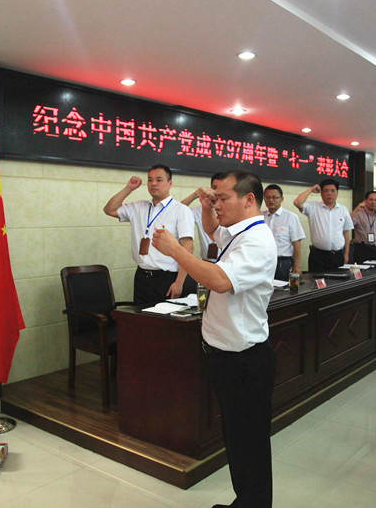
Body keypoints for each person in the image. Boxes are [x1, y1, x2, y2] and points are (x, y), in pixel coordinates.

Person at [151, 170, 277, 508]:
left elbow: (220, 280)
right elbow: (211, 231)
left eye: (223, 198)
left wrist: (177, 251)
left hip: (245, 360)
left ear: (248, 199)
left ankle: (253, 503)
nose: (217, 204)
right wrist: (207, 207)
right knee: (238, 440)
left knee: (249, 444)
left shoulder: (257, 240)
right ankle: (246, 501)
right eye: (215, 198)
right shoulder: (239, 232)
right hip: (228, 356)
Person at [103, 164, 194, 305]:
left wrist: (179, 282)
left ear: (170, 183)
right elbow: (109, 210)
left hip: (167, 278)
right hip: (142, 276)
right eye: (150, 180)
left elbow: (188, 248)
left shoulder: (181, 210)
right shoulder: (139, 207)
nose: (153, 184)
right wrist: (129, 189)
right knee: (141, 317)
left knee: (163, 318)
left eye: (159, 180)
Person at [293, 178, 352, 272]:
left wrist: (346, 254)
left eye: (332, 191)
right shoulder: (313, 207)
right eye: (326, 191)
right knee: (317, 280)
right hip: (318, 256)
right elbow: (297, 202)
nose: (329, 193)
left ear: (337, 193)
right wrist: (311, 190)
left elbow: (346, 233)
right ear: (321, 193)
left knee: (337, 280)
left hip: (337, 255)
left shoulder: (343, 210)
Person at [262, 184, 305, 281]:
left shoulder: (291, 217)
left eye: (274, 197)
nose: (271, 200)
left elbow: (296, 244)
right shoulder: (260, 216)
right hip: (264, 262)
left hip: (283, 263)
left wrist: (297, 266)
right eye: (267, 197)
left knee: (283, 289)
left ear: (282, 199)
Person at [182, 172, 224, 262]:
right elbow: (178, 210)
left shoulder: (232, 211)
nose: (217, 192)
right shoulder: (201, 210)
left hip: (226, 263)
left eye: (221, 188)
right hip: (206, 262)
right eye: (214, 188)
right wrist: (195, 195)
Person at [350, 190, 376, 263]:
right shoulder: (358, 213)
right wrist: (356, 210)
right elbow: (347, 224)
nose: (373, 202)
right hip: (362, 248)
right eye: (371, 200)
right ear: (365, 200)